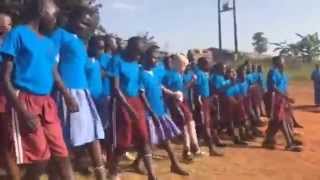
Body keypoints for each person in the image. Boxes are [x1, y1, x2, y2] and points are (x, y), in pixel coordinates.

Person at [0, 0, 75, 179]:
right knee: (40, 158)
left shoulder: (49, 43)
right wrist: (23, 111)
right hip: (25, 100)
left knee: (62, 154)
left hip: (47, 102)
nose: (56, 20)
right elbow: (5, 78)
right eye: (54, 15)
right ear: (42, 11)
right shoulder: (18, 34)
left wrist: (67, 94)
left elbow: (54, 72)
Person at [50, 5, 106, 180]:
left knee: (93, 135)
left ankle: (101, 175)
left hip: (83, 93)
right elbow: (52, 68)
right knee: (68, 139)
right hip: (68, 93)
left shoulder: (81, 42)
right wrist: (66, 94)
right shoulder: (59, 35)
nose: (86, 26)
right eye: (83, 22)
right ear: (72, 18)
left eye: (88, 24)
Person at [134, 46, 189, 176]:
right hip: (149, 113)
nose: (156, 60)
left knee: (166, 139)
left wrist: (172, 94)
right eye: (153, 57)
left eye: (157, 58)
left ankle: (174, 165)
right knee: (148, 142)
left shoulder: (156, 73)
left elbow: (161, 87)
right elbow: (141, 95)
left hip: (160, 110)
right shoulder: (141, 74)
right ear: (145, 57)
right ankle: (141, 166)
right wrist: (151, 112)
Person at [108, 36, 156, 180]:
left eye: (140, 53)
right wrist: (129, 109)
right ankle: (113, 172)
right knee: (123, 141)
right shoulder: (116, 60)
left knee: (143, 138)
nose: (138, 56)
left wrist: (143, 108)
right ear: (129, 48)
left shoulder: (136, 63)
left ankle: (152, 175)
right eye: (136, 52)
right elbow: (116, 88)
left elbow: (139, 86)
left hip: (136, 102)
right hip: (121, 104)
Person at [163, 54, 203, 162]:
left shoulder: (179, 75)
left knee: (190, 122)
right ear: (179, 64)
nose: (185, 67)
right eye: (184, 65)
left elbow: (182, 89)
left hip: (182, 101)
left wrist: (191, 82)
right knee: (184, 124)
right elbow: (161, 86)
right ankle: (187, 150)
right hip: (175, 102)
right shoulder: (169, 75)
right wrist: (172, 94)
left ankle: (193, 147)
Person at [263, 56, 303, 152]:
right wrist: (286, 98)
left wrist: (286, 100)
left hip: (281, 99)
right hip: (273, 99)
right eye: (282, 61)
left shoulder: (283, 74)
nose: (284, 63)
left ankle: (268, 140)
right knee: (280, 120)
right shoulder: (272, 72)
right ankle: (289, 143)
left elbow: (283, 88)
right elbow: (273, 88)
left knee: (277, 121)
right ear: (277, 62)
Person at [194, 57, 223, 156]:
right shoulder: (198, 74)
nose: (209, 65)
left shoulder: (204, 74)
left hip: (206, 100)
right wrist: (198, 100)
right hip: (202, 100)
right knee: (205, 125)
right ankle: (210, 148)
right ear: (202, 64)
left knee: (206, 124)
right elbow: (196, 88)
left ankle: (200, 146)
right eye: (207, 64)